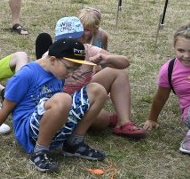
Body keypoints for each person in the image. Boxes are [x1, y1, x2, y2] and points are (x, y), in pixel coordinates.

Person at [0, 38, 107, 173]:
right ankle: (39, 152)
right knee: (63, 99)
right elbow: (6, 109)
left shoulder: (58, 74)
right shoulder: (26, 74)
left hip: (54, 121)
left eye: (75, 69)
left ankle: (73, 144)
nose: (72, 74)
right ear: (52, 60)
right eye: (69, 68)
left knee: (97, 90)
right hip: (30, 130)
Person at [51, 16, 147, 139]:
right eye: (64, 40)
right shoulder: (51, 56)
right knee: (99, 120)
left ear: (82, 37)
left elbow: (125, 63)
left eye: (74, 40)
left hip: (87, 92)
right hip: (64, 100)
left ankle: (123, 123)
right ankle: (108, 119)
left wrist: (106, 58)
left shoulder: (88, 50)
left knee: (118, 72)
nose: (70, 45)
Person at [142, 22, 190, 154]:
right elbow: (161, 97)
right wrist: (152, 119)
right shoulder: (168, 70)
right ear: (174, 47)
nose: (186, 56)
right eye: (181, 50)